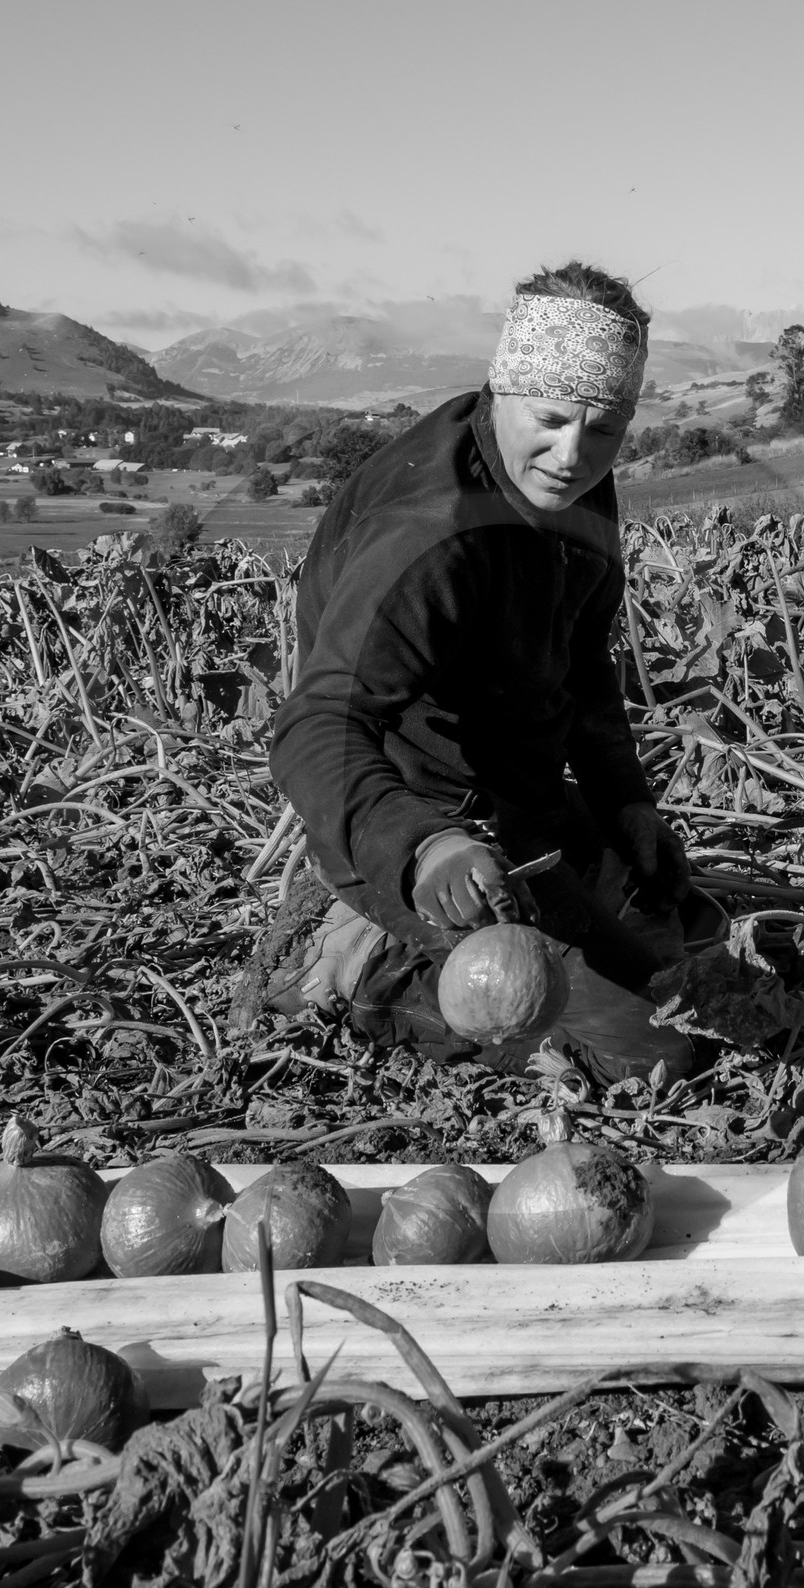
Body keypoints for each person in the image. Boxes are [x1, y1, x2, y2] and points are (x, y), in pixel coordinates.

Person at [251, 261, 704, 1086]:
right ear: (503, 387)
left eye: (603, 431)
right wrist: (424, 845)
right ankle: (345, 955)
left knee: (686, 950)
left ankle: (543, 904)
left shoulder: (579, 491)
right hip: (403, 815)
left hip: (518, 800)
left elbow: (586, 665)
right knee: (645, 1049)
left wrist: (626, 802)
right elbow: (316, 727)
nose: (572, 455)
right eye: (553, 419)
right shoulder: (427, 540)